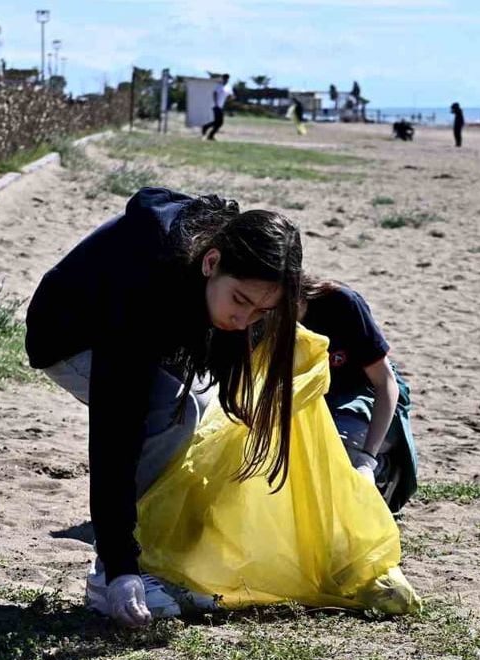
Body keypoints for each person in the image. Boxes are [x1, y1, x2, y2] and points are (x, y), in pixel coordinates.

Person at [25, 187, 304, 627]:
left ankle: (161, 554)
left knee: (203, 409)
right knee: (174, 414)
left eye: (261, 311)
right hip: (70, 336)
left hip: (143, 334)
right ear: (211, 263)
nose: (244, 320)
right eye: (240, 302)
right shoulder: (148, 275)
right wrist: (119, 567)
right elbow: (117, 425)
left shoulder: (229, 266)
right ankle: (111, 575)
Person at [299, 277, 418, 512]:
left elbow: (385, 383)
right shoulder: (255, 312)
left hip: (364, 397)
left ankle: (382, 471)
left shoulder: (341, 303)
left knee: (337, 447)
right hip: (313, 399)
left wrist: (367, 459)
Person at [201, 74, 231, 141]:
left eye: (227, 79)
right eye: (225, 79)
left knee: (218, 123)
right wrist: (216, 103)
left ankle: (206, 129)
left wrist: (230, 99)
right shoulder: (219, 86)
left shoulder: (227, 88)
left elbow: (228, 96)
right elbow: (214, 94)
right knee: (219, 122)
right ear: (223, 79)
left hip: (221, 107)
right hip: (216, 106)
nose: (226, 80)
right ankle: (210, 134)